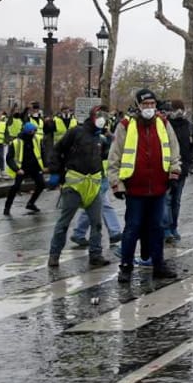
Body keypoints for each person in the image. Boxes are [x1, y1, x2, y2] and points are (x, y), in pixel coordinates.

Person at [108, 89, 181, 281]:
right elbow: (114, 156)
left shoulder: (163, 124)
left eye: (152, 104)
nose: (149, 108)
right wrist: (116, 184)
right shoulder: (125, 125)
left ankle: (158, 265)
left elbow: (174, 151)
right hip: (135, 188)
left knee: (157, 228)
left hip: (158, 187)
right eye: (145, 104)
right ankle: (126, 266)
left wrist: (174, 174)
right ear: (138, 106)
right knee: (132, 228)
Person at [46, 105, 111, 269]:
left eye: (105, 115)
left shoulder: (101, 137)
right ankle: (54, 254)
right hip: (74, 184)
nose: (102, 118)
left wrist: (110, 141)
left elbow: (103, 156)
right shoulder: (76, 132)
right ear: (92, 116)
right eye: (99, 114)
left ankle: (95, 254)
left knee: (96, 223)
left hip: (93, 185)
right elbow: (57, 150)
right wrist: (55, 171)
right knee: (64, 222)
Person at [165, 100, 193, 243]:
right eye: (175, 109)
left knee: (176, 200)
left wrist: (188, 161)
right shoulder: (165, 125)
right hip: (167, 168)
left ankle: (173, 227)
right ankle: (166, 229)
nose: (178, 112)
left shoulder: (189, 126)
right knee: (167, 199)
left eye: (180, 109)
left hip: (182, 168)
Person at [4, 122, 46, 216]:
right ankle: (7, 207)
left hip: (35, 167)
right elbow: (9, 158)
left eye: (35, 131)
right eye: (33, 131)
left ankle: (31, 203)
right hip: (22, 169)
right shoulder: (16, 142)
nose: (34, 133)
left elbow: (42, 153)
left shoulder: (37, 139)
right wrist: (17, 169)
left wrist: (45, 166)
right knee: (16, 187)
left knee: (41, 184)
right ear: (27, 132)